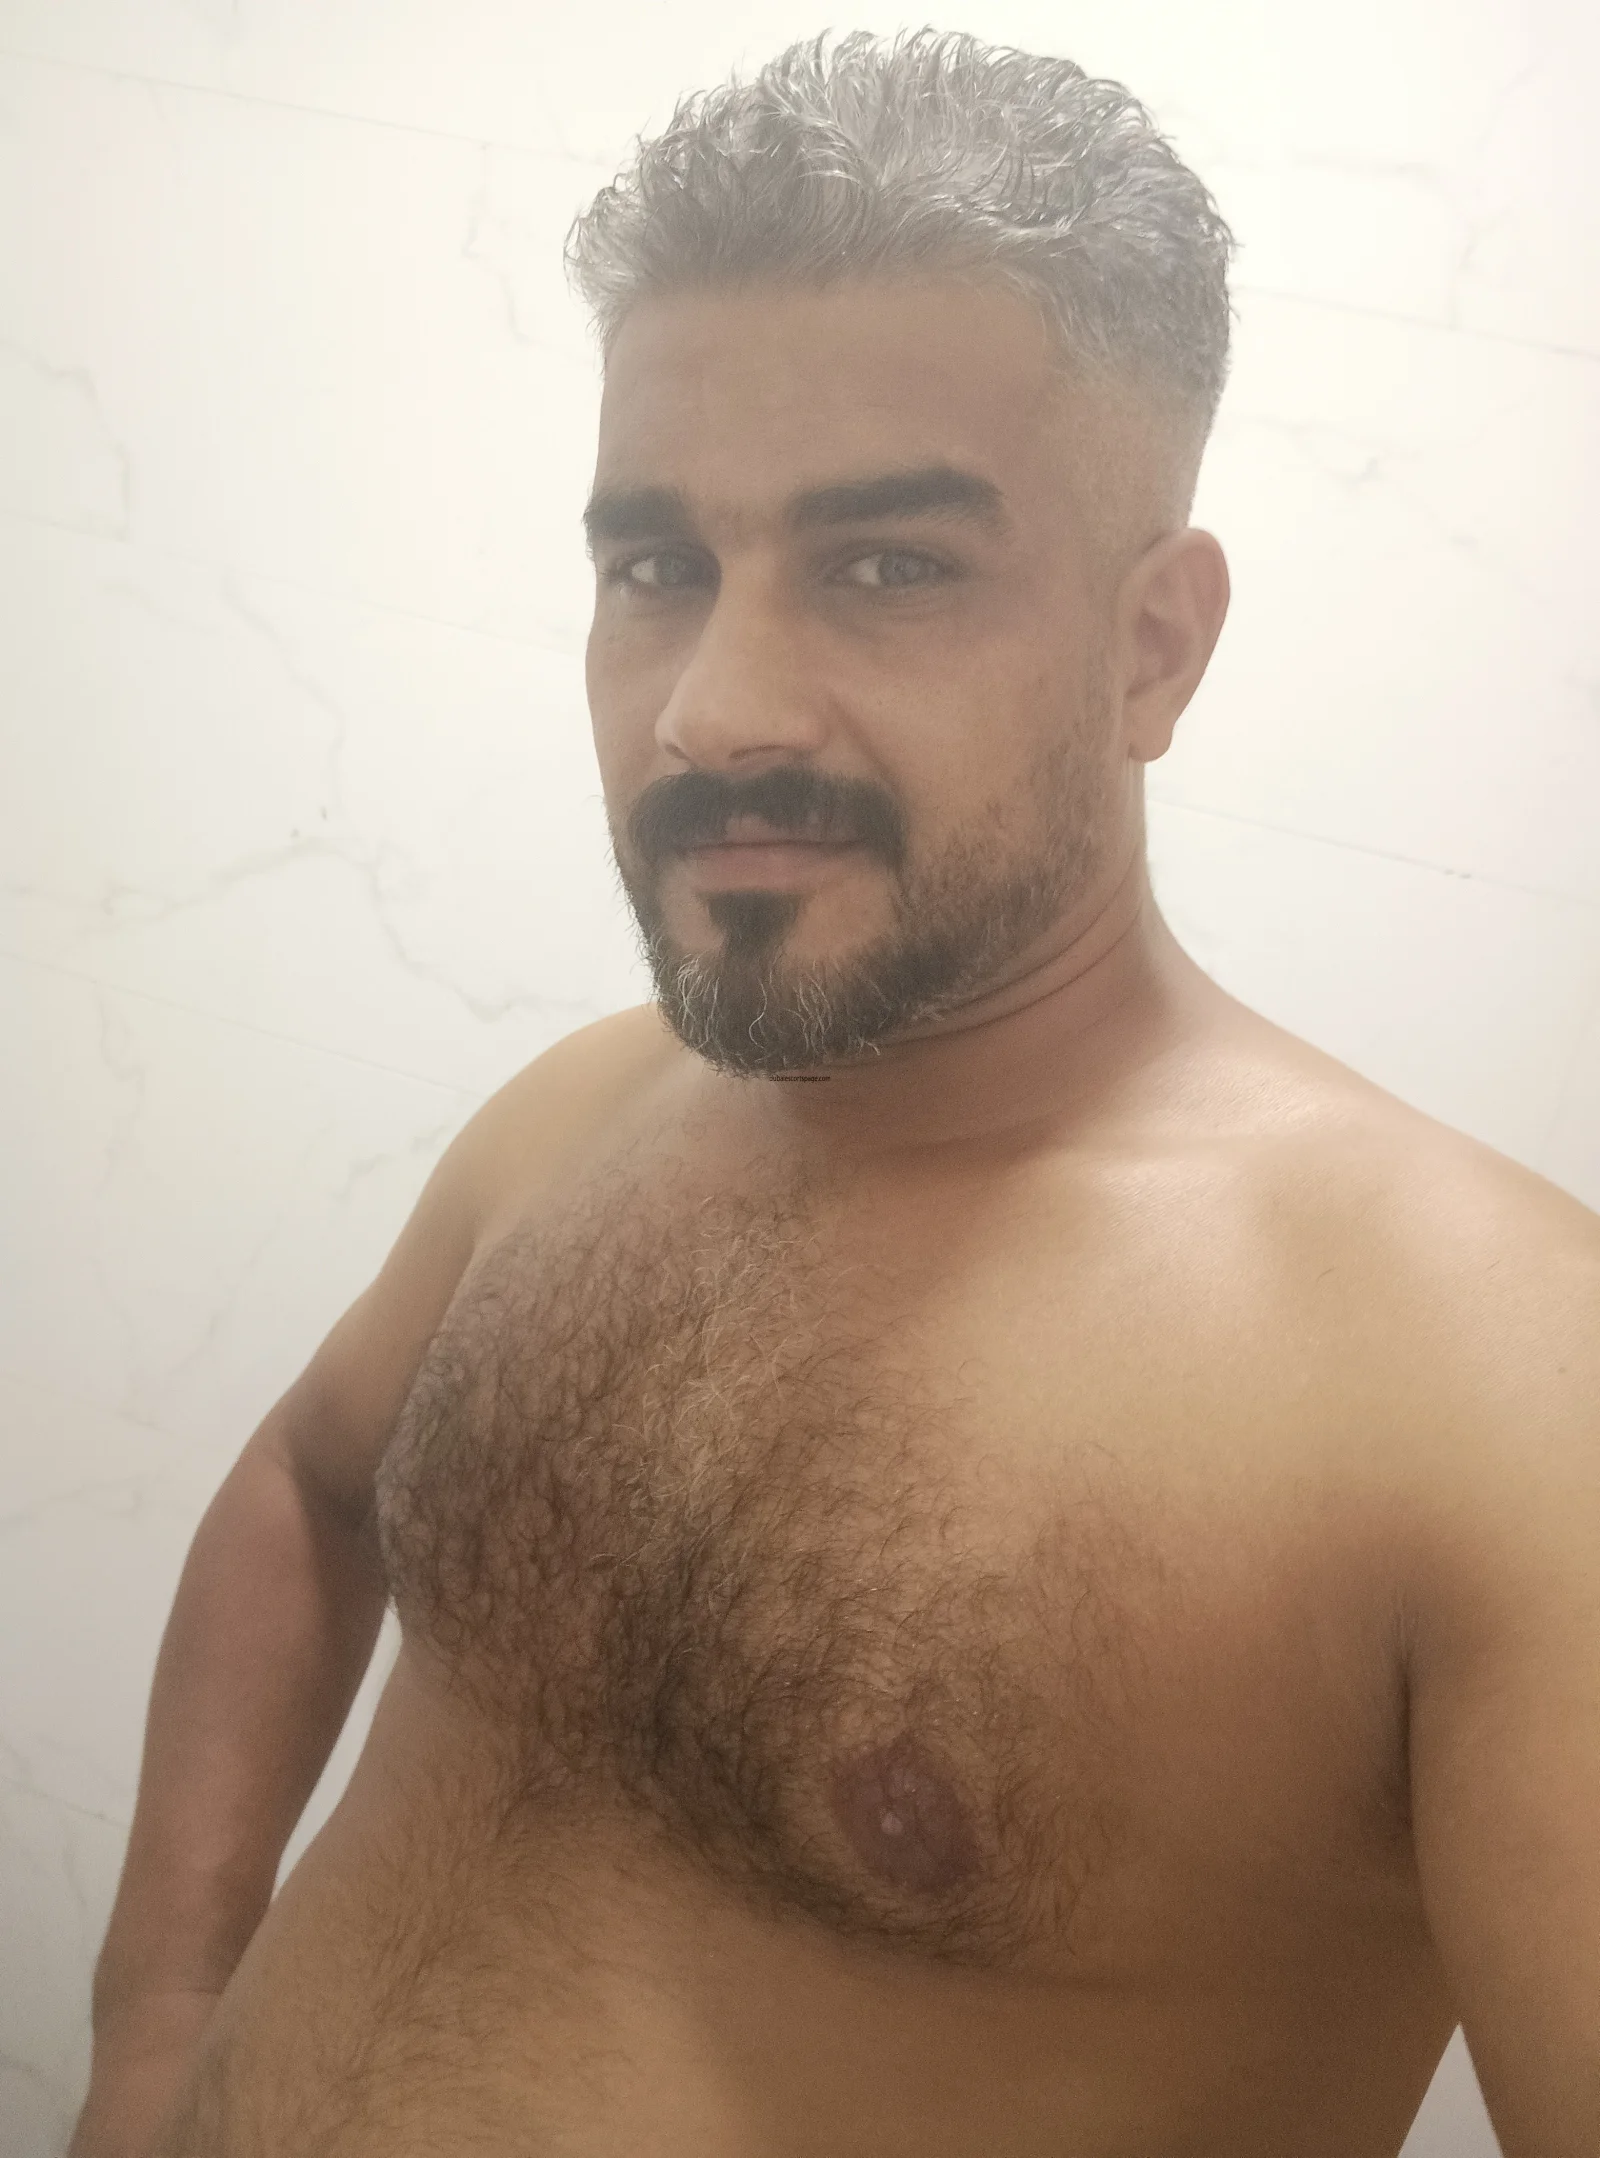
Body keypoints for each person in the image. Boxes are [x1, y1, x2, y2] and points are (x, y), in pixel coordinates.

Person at [71, 31, 1599, 2158]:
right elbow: (308, 1490)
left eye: (886, 566)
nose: (712, 708)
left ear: (1153, 646)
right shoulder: (579, 1116)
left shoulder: (1489, 1389)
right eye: (655, 567)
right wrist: (153, 2026)